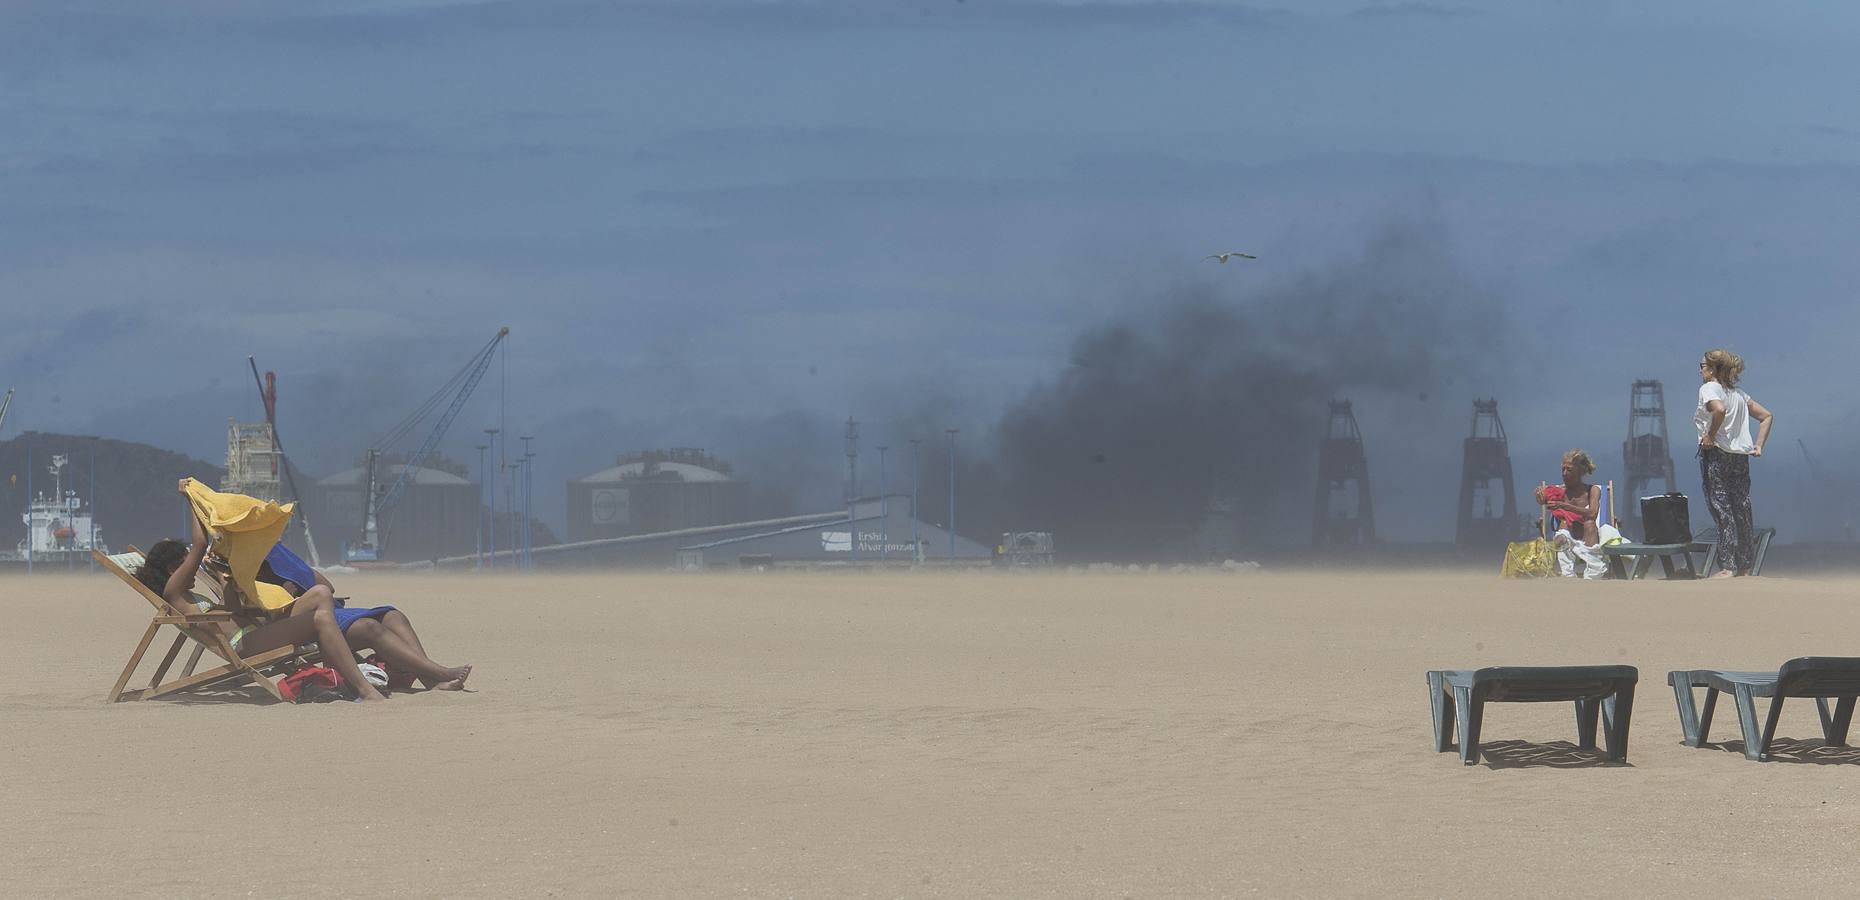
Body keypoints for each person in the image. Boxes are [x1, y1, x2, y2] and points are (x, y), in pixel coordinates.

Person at [252, 540, 470, 692]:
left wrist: (294, 565)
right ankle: (440, 672)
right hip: (298, 624)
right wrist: (289, 595)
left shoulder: (277, 557)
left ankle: (429, 680)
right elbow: (261, 617)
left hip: (326, 610)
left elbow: (328, 586)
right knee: (369, 627)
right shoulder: (245, 573)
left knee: (394, 616)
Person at [1696, 348, 1774, 578]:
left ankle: (1727, 566)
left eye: (1702, 366)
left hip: (1717, 454)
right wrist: (1758, 445)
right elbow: (1767, 416)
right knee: (1742, 508)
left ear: (1712, 369)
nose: (1700, 370)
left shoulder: (1709, 387)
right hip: (1740, 457)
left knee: (1722, 509)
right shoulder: (1740, 394)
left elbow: (1718, 409)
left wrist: (1710, 434)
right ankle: (1745, 566)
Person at [1535, 449, 1607, 579]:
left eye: (1569, 470)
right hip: (1567, 538)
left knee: (1590, 524)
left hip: (1587, 538)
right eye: (1563, 469)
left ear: (1581, 471)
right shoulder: (1559, 491)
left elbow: (1593, 514)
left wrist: (1564, 505)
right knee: (1563, 525)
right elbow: (1543, 500)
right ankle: (1567, 575)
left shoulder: (1592, 490)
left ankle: (1593, 575)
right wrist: (1539, 497)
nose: (1564, 473)